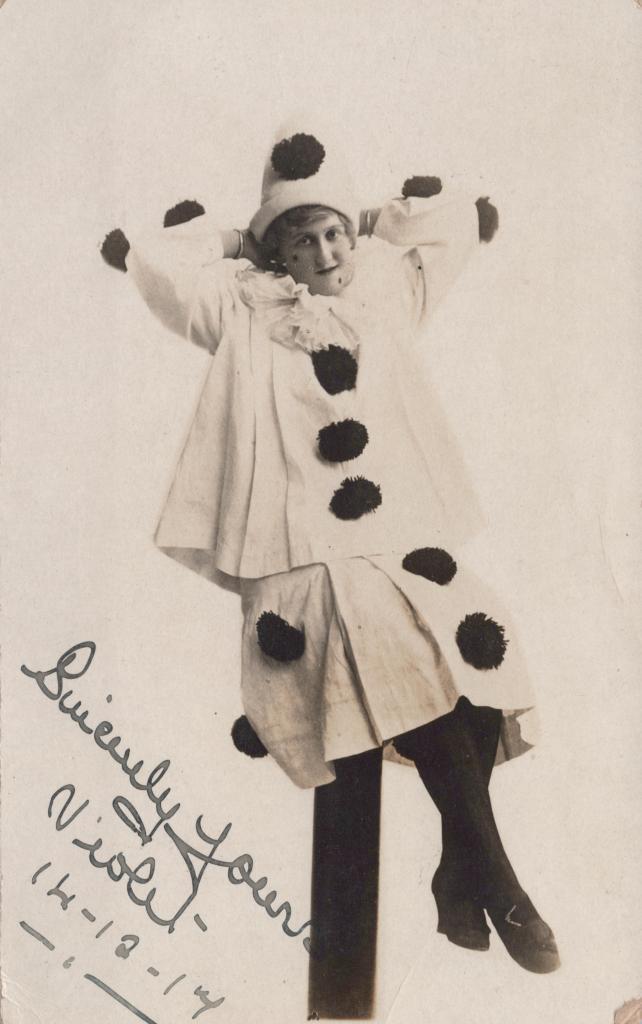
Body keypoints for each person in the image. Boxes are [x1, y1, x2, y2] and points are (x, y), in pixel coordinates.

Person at [108, 118, 560, 976]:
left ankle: (458, 869)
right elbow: (154, 260)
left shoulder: (386, 292)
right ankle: (501, 884)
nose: (324, 254)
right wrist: (241, 237)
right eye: (302, 241)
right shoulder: (242, 309)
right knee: (399, 657)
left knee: (482, 653)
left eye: (333, 234)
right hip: (299, 556)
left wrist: (368, 215)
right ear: (276, 253)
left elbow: (456, 218)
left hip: (396, 544)